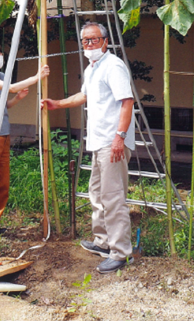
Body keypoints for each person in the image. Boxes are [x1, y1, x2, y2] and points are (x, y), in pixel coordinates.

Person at [42, 21, 135, 274]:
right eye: (85, 41)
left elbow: (127, 102)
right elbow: (84, 96)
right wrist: (57, 104)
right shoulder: (93, 68)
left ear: (105, 41)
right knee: (97, 194)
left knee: (113, 198)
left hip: (112, 142)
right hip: (98, 142)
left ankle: (121, 252)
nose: (90, 45)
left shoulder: (113, 66)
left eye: (94, 40)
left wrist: (120, 137)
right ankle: (103, 242)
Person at [0, 42, 50, 245]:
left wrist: (19, 98)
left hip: (3, 135)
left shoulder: (0, 76)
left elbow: (4, 105)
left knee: (1, 185)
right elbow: (11, 89)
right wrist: (37, 77)